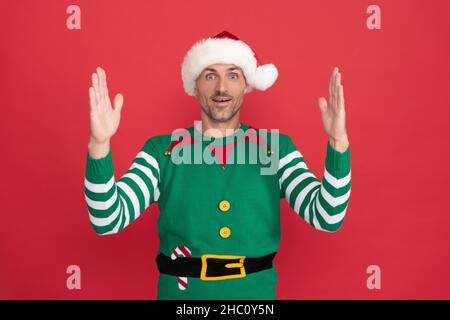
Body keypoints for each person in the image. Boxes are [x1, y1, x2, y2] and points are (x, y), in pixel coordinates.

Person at [84, 30, 351, 299]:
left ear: (246, 85)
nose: (221, 87)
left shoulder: (276, 150)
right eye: (210, 75)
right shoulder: (161, 151)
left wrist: (338, 142)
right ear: (195, 85)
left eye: (233, 75)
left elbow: (327, 217)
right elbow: (107, 219)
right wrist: (99, 145)